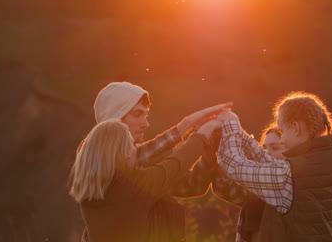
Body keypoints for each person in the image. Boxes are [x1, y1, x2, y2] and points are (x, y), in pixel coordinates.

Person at [79, 82, 231, 241]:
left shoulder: (116, 164)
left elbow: (192, 186)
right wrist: (203, 134)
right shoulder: (112, 174)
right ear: (114, 119)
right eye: (137, 114)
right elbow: (171, 166)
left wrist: (206, 151)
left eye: (146, 115)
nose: (146, 124)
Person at [216, 91, 332, 241]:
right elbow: (273, 165)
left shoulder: (292, 173)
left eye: (282, 131)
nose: (282, 140)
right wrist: (240, 135)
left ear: (295, 127)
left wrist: (230, 123)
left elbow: (233, 164)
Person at [70, 119, 220, 242]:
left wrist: (207, 155)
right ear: (120, 152)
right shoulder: (131, 186)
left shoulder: (91, 188)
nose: (135, 149)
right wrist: (204, 134)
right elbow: (174, 165)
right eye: (131, 145)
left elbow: (190, 184)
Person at [212, 126, 285, 242]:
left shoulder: (293, 188)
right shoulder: (257, 188)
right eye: (263, 148)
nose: (266, 153)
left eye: (275, 148)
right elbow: (224, 187)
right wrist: (220, 147)